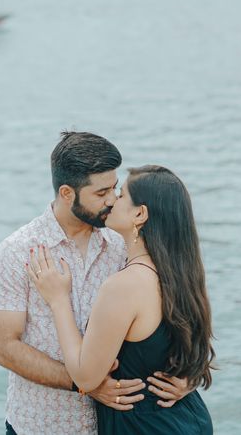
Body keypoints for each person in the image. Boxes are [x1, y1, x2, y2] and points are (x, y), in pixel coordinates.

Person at [0, 132, 195, 435]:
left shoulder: (125, 242)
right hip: (41, 426)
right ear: (67, 193)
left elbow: (181, 305)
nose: (111, 200)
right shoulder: (16, 253)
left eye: (114, 189)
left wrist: (192, 374)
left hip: (120, 426)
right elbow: (4, 348)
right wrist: (84, 385)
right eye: (100, 194)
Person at [27, 165, 215, 434]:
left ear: (140, 214)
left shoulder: (125, 285)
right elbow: (194, 347)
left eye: (122, 194)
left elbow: (85, 376)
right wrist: (191, 379)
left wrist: (58, 301)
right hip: (187, 417)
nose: (112, 199)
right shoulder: (183, 274)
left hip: (145, 425)